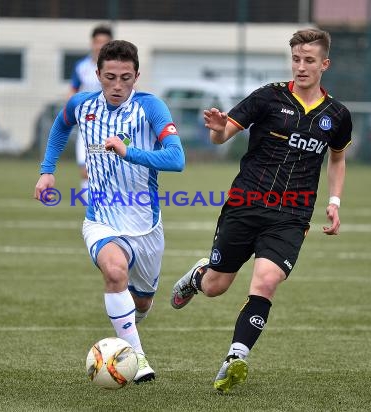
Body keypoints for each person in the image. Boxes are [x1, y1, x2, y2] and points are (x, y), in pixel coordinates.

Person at [170, 28, 352, 393]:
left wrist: (333, 203)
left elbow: (337, 159)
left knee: (266, 281)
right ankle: (197, 277)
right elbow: (222, 134)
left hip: (292, 215)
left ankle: (235, 357)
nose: (301, 67)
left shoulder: (337, 115)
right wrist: (219, 130)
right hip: (245, 205)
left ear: (324, 64)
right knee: (217, 285)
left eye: (309, 61)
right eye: (296, 59)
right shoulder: (268, 97)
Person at [34, 39, 185, 383]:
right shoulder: (82, 104)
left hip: (145, 225)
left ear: (137, 76)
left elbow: (177, 159)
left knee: (143, 303)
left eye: (126, 78)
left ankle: (129, 324)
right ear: (98, 74)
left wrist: (128, 151)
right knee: (114, 271)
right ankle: (139, 359)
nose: (118, 86)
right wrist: (47, 169)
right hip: (100, 219)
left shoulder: (151, 108)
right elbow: (60, 126)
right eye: (111, 77)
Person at [69, 25, 113, 201]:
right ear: (92, 43)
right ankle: (92, 213)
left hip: (111, 127)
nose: (100, 46)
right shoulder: (82, 67)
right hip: (87, 127)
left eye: (105, 42)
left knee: (109, 173)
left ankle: (110, 210)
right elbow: (72, 91)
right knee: (85, 171)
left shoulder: (116, 67)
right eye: (97, 42)